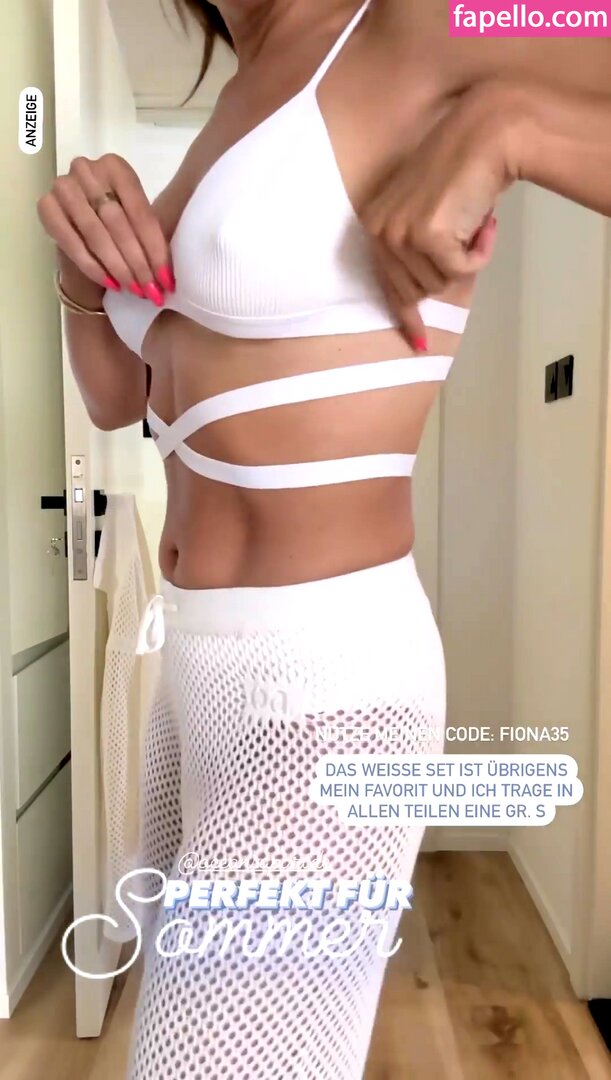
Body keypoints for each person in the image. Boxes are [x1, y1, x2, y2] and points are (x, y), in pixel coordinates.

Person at [37, 2, 610, 1077]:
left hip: (322, 699)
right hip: (192, 677)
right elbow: (122, 398)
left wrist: (514, 124)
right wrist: (80, 277)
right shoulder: (233, 105)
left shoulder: (419, 20)